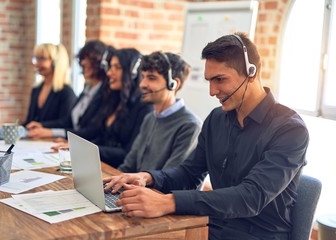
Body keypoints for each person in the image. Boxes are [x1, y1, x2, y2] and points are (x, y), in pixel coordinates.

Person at [104, 33, 309, 239]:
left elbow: (251, 197)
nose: (212, 91)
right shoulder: (216, 119)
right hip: (209, 226)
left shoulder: (290, 129)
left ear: (251, 73)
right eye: (209, 81)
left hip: (257, 234)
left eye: (220, 79)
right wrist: (147, 178)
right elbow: (189, 174)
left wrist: (169, 202)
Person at [117, 51, 201, 173]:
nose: (142, 84)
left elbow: (168, 179)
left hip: (155, 192)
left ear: (174, 84)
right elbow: (128, 166)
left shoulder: (190, 125)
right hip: (136, 189)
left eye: (151, 78)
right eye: (143, 77)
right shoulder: (150, 118)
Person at [26, 40, 116, 141]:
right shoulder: (87, 90)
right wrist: (42, 126)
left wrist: (52, 132)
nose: (83, 62)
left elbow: (91, 131)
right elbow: (69, 122)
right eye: (82, 58)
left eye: (89, 59)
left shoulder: (105, 93)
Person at [89, 48, 153, 168]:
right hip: (100, 164)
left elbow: (128, 152)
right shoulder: (115, 98)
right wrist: (82, 148)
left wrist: (91, 150)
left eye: (117, 68)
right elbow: (100, 135)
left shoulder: (144, 107)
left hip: (117, 170)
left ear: (133, 73)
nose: (109, 73)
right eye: (110, 67)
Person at [23, 43, 76, 126]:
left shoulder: (66, 92)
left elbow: (65, 122)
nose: (36, 64)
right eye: (36, 58)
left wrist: (42, 125)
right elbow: (29, 121)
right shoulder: (36, 89)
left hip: (52, 138)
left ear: (55, 62)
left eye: (42, 59)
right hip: (33, 138)